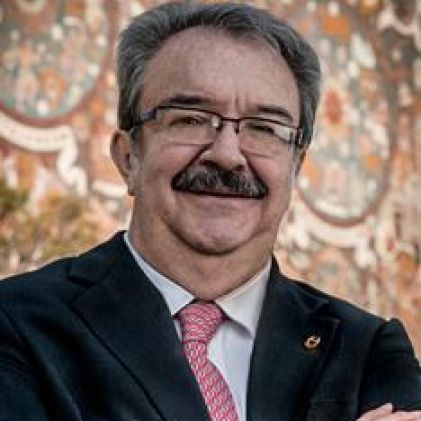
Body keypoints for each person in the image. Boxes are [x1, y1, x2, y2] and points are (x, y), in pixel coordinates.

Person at [0, 2, 420, 420]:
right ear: (128, 157)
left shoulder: (366, 350)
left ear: (296, 167)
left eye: (264, 127)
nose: (227, 155)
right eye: (190, 119)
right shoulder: (17, 323)